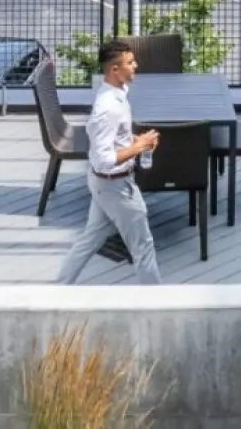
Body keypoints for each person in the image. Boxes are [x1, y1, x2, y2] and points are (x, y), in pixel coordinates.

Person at [54, 39, 161, 284]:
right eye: (130, 62)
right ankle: (157, 304)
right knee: (143, 247)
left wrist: (135, 140)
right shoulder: (108, 108)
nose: (136, 65)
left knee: (90, 238)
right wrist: (140, 146)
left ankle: (58, 289)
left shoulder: (117, 94)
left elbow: (114, 138)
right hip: (116, 186)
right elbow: (104, 161)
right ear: (115, 69)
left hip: (104, 185)